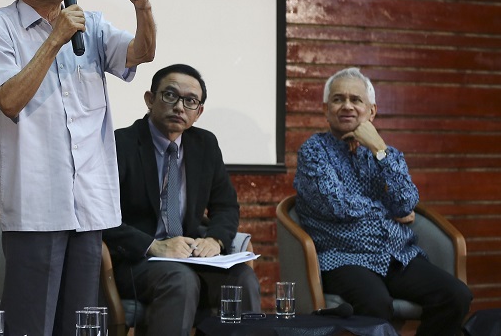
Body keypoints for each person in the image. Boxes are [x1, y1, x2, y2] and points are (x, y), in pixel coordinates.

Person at [0, 0, 156, 336]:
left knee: (79, 323)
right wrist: (55, 38)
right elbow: (9, 99)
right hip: (37, 202)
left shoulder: (90, 24)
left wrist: (143, 9)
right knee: (30, 323)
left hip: (89, 201)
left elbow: (141, 53)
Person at [294, 67, 472, 335]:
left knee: (456, 296)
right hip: (344, 257)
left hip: (396, 255)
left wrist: (379, 150)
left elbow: (406, 201)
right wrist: (386, 212)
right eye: (338, 99)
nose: (347, 106)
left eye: (356, 100)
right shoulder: (313, 151)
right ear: (325, 110)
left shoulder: (387, 153)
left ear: (372, 111)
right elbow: (335, 204)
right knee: (376, 305)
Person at [103, 64, 261, 335]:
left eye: (190, 101)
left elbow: (225, 206)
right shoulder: (121, 144)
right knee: (180, 280)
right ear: (149, 99)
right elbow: (101, 217)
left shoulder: (205, 145)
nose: (179, 107)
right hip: (137, 261)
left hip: (190, 256)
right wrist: (153, 246)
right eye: (169, 95)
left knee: (242, 278)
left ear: (198, 112)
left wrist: (215, 239)